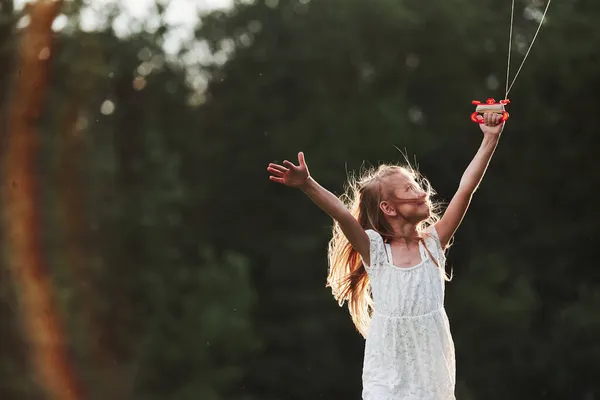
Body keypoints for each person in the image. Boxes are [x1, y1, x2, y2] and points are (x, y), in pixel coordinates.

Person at [266, 112, 505, 399]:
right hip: (387, 368)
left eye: (417, 185)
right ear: (388, 208)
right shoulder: (376, 252)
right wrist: (307, 184)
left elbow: (465, 189)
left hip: (430, 369)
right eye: (409, 189)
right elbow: (341, 214)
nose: (422, 193)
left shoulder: (433, 244)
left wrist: (490, 138)